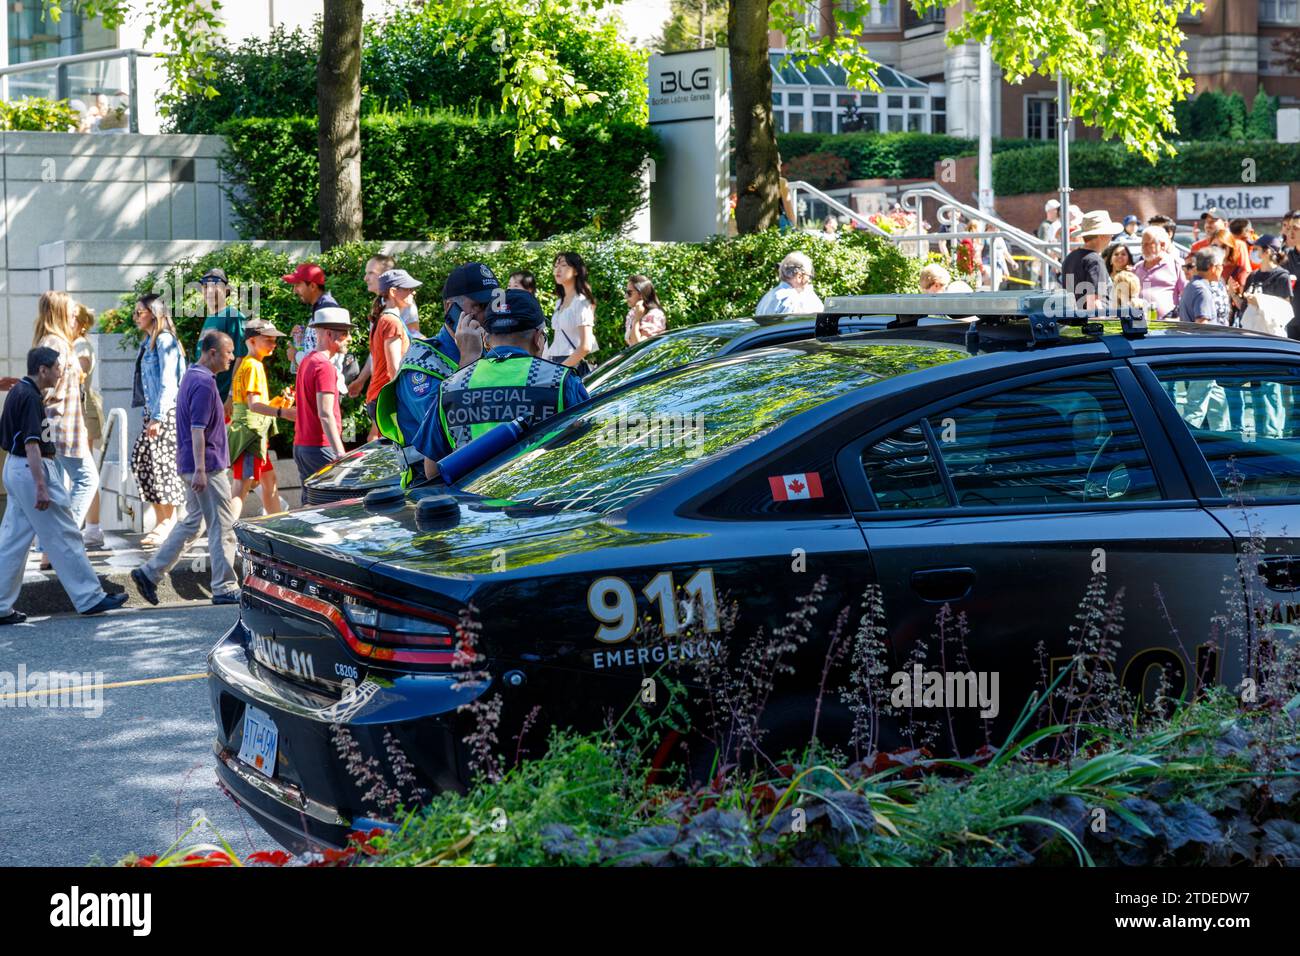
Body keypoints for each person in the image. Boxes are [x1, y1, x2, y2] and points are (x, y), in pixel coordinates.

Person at [0, 349, 127, 623]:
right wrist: (41, 486)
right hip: (31, 469)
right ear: (43, 370)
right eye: (57, 367)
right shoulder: (30, 396)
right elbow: (32, 443)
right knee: (64, 532)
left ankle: (0, 606)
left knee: (12, 540)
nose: (61, 372)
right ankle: (89, 597)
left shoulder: (18, 391)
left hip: (14, 467)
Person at [414, 289, 589, 477]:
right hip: (540, 502)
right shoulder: (562, 381)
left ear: (487, 340)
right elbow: (586, 453)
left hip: (472, 504)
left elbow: (432, 472)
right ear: (538, 338)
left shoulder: (450, 387)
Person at [130, 331, 240, 607]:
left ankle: (150, 572)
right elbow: (198, 429)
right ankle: (225, 586)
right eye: (228, 353)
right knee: (222, 525)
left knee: (194, 522)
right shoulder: (203, 383)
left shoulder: (192, 376)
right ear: (212, 353)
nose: (232, 358)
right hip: (207, 467)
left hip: (192, 464)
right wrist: (202, 469)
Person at [33, 291, 98, 574]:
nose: (76, 316)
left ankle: (50, 551)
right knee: (87, 479)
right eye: (71, 312)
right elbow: (45, 389)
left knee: (59, 491)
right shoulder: (55, 343)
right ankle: (63, 543)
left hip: (63, 426)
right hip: (62, 428)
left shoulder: (54, 341)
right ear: (60, 313)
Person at [129, 294, 187, 548]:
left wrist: (158, 417)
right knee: (144, 462)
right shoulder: (149, 341)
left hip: (166, 413)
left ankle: (169, 521)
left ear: (153, 313)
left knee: (162, 466)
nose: (135, 317)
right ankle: (165, 520)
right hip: (153, 412)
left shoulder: (164, 341)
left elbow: (168, 382)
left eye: (139, 312)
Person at [228, 319, 288, 517]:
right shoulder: (254, 366)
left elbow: (251, 405)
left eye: (274, 340)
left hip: (251, 436)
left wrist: (279, 403)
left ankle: (278, 526)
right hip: (250, 437)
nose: (273, 344)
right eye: (268, 340)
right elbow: (254, 406)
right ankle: (223, 533)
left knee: (268, 481)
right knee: (241, 487)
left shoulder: (247, 364)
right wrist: (283, 412)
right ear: (252, 341)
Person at [286, 307, 352, 483]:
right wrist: (340, 453)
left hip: (302, 445)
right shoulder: (324, 366)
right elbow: (325, 413)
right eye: (345, 334)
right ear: (329, 334)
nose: (350, 339)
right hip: (320, 447)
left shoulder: (307, 361)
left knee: (311, 505)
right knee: (334, 506)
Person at [352, 269, 414, 426]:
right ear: (393, 292)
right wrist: (407, 402)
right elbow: (394, 367)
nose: (413, 293)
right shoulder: (391, 322)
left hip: (379, 398)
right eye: (408, 289)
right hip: (387, 401)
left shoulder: (383, 319)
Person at [72, 303, 107, 549]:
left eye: (71, 318)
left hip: (83, 412)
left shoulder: (81, 345)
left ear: (82, 323)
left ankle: (93, 528)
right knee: (81, 470)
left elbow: (78, 375)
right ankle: (91, 528)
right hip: (79, 411)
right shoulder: (73, 344)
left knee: (85, 469)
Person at [195, 268, 247, 405]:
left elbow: (241, 358)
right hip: (205, 395)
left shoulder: (233, 315)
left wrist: (231, 395)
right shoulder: (209, 318)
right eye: (206, 287)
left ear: (226, 290)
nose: (210, 291)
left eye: (215, 286)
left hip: (223, 400)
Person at [284, 262, 342, 374]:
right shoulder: (320, 308)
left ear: (312, 286)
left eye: (298, 285)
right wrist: (301, 340)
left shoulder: (327, 310)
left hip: (324, 384)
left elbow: (328, 357)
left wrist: (296, 355)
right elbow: (315, 349)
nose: (294, 290)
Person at [545, 251, 598, 373]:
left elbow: (585, 346)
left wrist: (560, 369)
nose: (558, 269)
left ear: (576, 271)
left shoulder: (581, 302)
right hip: (556, 361)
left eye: (563, 265)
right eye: (556, 265)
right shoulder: (559, 302)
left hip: (571, 365)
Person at [1060, 211, 1118, 310]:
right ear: (1102, 235)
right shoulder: (1095, 261)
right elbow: (1095, 303)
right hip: (1092, 322)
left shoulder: (1070, 258)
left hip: (1074, 319)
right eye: (1110, 233)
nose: (1111, 237)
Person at [1132, 226, 1185, 318]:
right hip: (1139, 324)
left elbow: (1186, 295)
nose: (1144, 247)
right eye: (1142, 244)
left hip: (1166, 325)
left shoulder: (1176, 265)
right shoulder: (1137, 267)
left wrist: (1178, 318)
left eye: (1148, 244)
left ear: (1162, 245)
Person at [754, 251, 824, 314]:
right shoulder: (792, 300)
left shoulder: (769, 295)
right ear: (799, 276)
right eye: (809, 276)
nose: (809, 281)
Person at [1177, 246, 1231, 325]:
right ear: (1212, 267)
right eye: (1221, 265)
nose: (1222, 268)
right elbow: (1202, 327)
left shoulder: (1193, 285)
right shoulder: (1202, 290)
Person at [1207, 226, 1250, 297]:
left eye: (1223, 247)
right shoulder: (1204, 268)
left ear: (1230, 248)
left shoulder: (1239, 270)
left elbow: (1244, 300)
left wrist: (1232, 292)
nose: (1219, 249)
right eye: (1215, 246)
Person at [624, 274, 667, 346]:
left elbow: (638, 346)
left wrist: (637, 319)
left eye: (629, 293)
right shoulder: (632, 313)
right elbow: (630, 343)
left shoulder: (655, 315)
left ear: (641, 294)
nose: (625, 296)